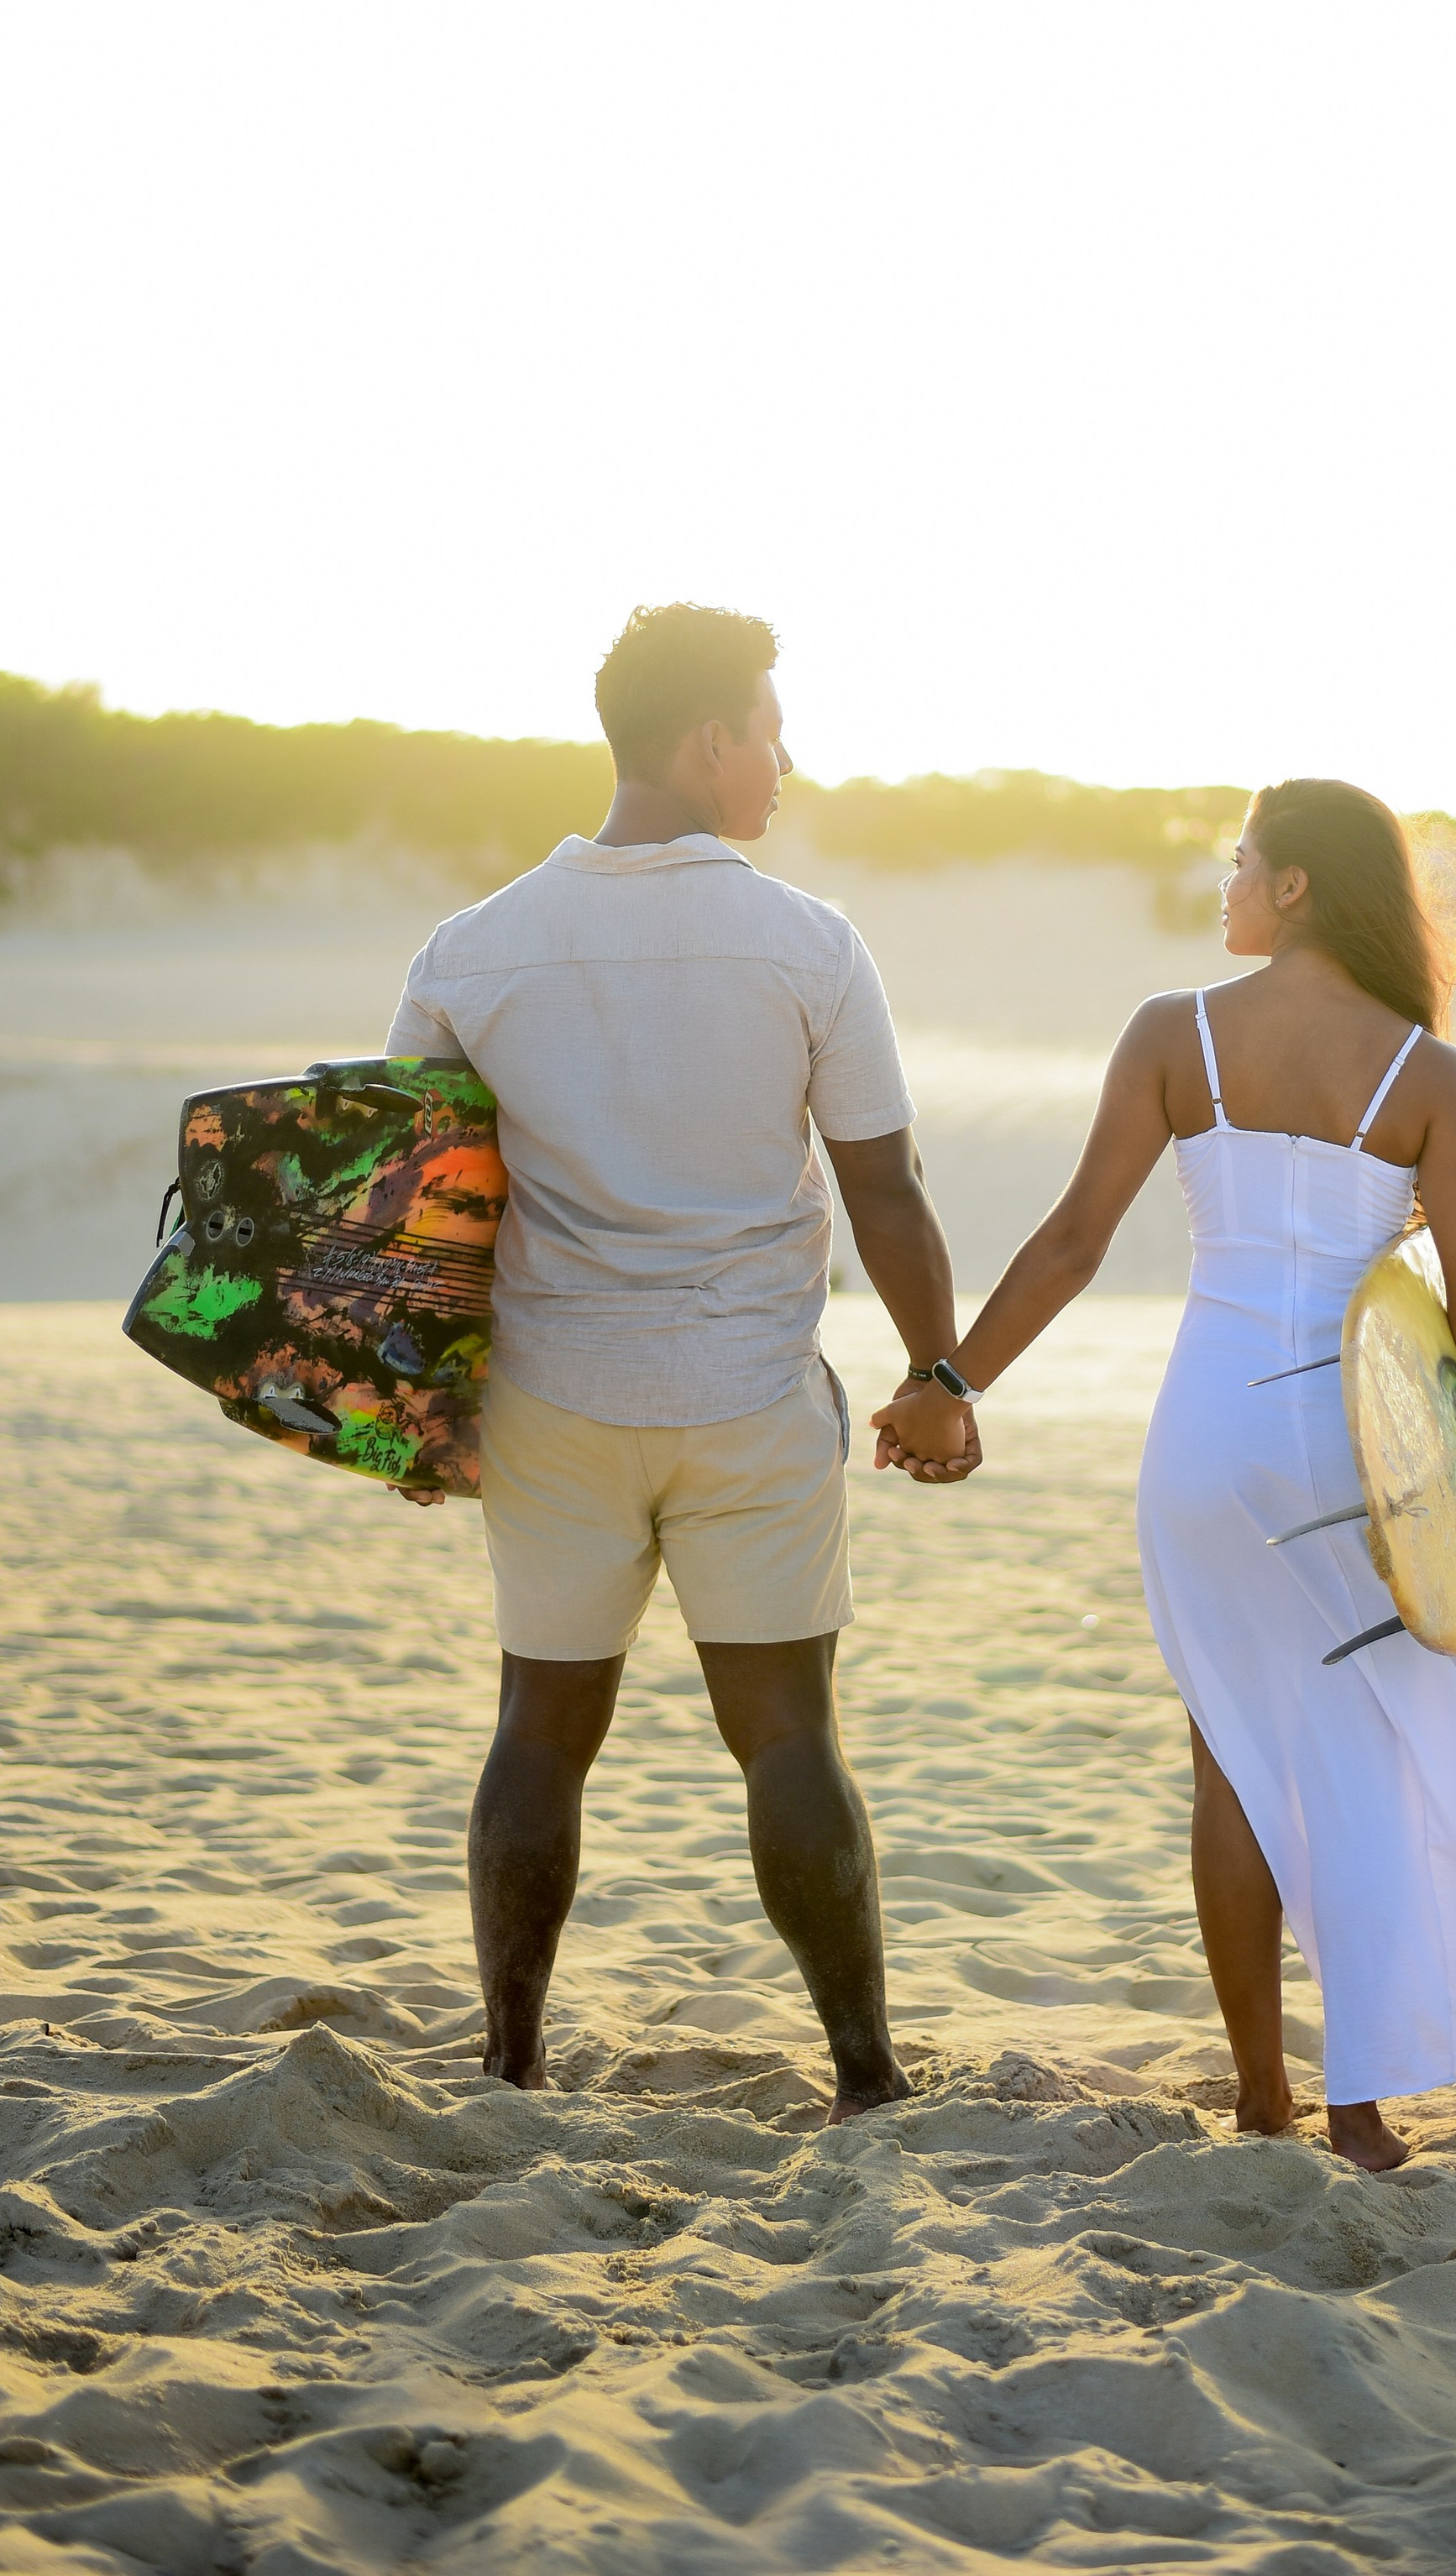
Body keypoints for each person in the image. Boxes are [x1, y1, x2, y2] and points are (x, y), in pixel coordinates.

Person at [873, 777, 1456, 2164]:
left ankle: (1262, 2092)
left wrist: (950, 1385)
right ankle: (1357, 2107)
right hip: (1362, 1458)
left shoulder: (1173, 1034)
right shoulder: (1427, 1074)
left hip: (1205, 1442)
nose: (1227, 882)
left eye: (1243, 861)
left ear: (1297, 884)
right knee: (1361, 1763)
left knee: (1232, 1770)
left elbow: (1073, 1241)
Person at [387, 603, 980, 2121]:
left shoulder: (473, 951)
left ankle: (512, 2060)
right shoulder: (807, 942)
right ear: (710, 740)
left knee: (541, 1726)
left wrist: (410, 1408)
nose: (785, 762)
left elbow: (415, 1206)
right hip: (745, 1399)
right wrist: (941, 1376)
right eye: (772, 733)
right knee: (787, 1732)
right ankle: (863, 2072)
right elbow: (887, 1186)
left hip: (552, 1404)